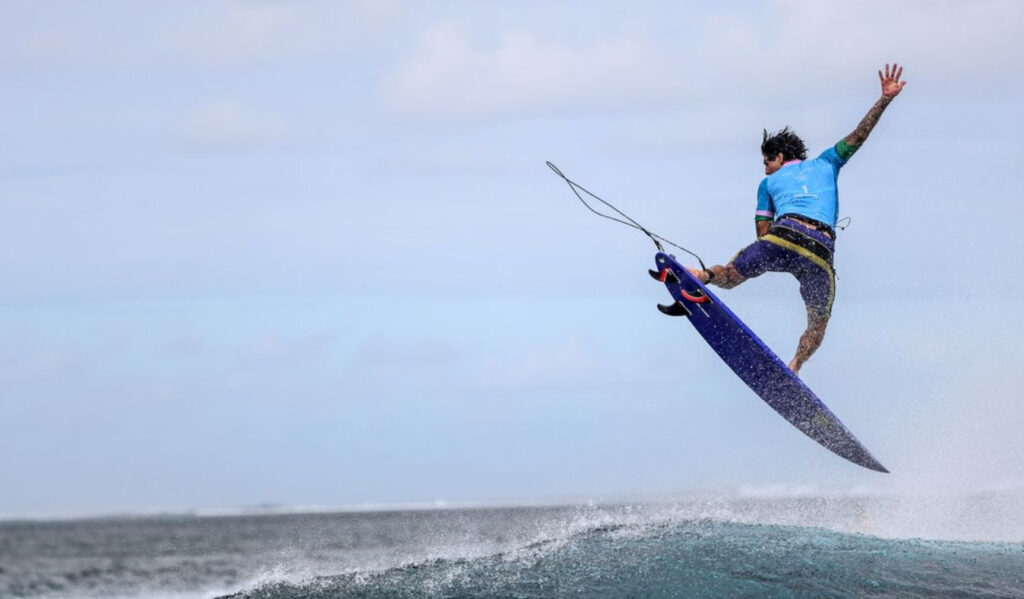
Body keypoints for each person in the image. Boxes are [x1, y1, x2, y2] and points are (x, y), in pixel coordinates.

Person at [689, 63, 907, 374]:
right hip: (819, 251)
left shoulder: (767, 184)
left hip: (783, 236)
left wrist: (757, 263)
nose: (765, 170)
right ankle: (795, 365)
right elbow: (859, 135)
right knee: (818, 322)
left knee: (731, 276)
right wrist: (885, 100)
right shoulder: (829, 162)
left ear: (779, 157)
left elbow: (763, 234)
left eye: (767, 162)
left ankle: (701, 276)